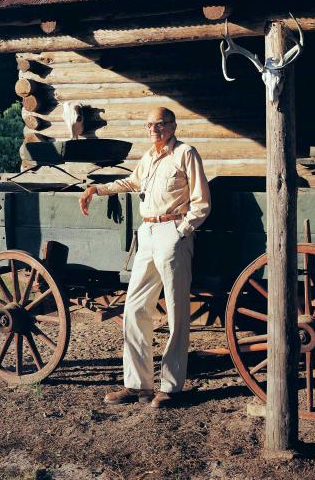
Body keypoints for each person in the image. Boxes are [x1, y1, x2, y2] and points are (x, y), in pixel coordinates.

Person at [79, 107, 211, 408]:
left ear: (173, 126)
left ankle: (171, 388)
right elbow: (131, 183)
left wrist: (182, 230)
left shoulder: (186, 154)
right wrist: (96, 189)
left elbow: (202, 202)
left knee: (177, 313)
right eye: (150, 125)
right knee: (135, 309)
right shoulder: (149, 156)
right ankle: (137, 385)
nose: (155, 129)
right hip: (147, 234)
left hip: (172, 233)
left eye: (161, 124)